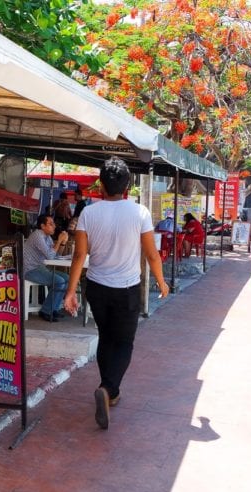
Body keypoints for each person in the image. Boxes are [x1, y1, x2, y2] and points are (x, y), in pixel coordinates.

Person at [63, 156, 169, 429]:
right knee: (123, 343)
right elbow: (152, 255)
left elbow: (79, 256)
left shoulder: (88, 212)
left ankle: (110, 391)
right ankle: (109, 389)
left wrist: (71, 290)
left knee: (106, 338)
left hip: (96, 287)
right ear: (127, 186)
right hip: (127, 290)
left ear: (101, 185)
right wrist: (161, 281)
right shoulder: (139, 213)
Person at [24, 214, 69, 322]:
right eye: (51, 224)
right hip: (29, 269)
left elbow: (56, 256)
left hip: (40, 268)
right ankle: (46, 311)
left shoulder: (47, 237)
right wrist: (58, 241)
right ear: (42, 226)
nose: (54, 226)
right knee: (59, 281)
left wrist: (62, 243)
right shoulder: (37, 236)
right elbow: (50, 256)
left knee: (67, 278)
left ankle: (54, 309)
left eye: (53, 224)